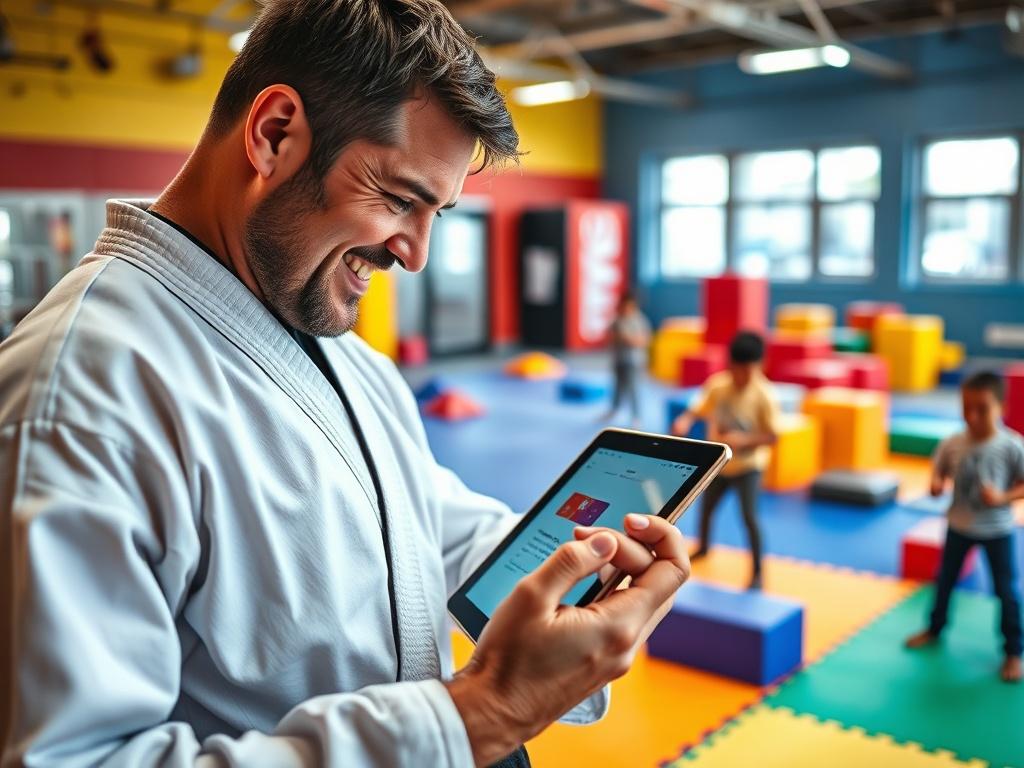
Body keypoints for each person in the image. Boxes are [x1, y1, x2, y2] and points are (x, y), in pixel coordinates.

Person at [0, 2, 693, 765]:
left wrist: (571, 569)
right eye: (399, 199)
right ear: (274, 135)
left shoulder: (341, 350)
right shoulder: (80, 398)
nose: (417, 253)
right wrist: (478, 715)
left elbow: (418, 520)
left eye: (438, 212)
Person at [905, 371, 1024, 683]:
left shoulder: (1012, 445)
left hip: (998, 529)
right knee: (944, 581)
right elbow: (940, 466)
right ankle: (934, 629)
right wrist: (935, 482)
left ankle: (1013, 651)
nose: (972, 416)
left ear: (1002, 407)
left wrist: (1003, 496)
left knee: (1006, 591)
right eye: (966, 407)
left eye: (981, 409)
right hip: (958, 525)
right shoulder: (953, 442)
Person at [670, 331, 778, 590]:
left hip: (748, 468)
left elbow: (773, 437)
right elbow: (698, 407)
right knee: (706, 508)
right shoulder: (718, 385)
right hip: (719, 463)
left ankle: (757, 571)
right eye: (737, 370)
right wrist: (685, 419)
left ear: (759, 366)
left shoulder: (764, 395)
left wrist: (743, 440)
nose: (741, 376)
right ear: (730, 365)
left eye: (748, 371)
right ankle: (705, 547)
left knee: (750, 518)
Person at [604, 292, 651, 427]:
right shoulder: (618, 320)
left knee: (634, 389)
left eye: (629, 306)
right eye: (624, 306)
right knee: (617, 386)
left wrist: (630, 339)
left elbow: (644, 340)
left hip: (634, 362)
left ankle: (636, 417)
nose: (627, 309)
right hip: (619, 360)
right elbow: (612, 336)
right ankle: (614, 409)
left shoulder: (640, 320)